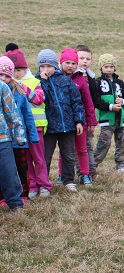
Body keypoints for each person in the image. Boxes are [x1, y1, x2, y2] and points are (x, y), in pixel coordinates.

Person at [36, 49, 85, 192]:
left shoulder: (65, 80)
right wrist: (44, 81)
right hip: (49, 127)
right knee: (45, 156)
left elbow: (76, 101)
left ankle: (68, 180)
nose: (46, 69)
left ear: (55, 66)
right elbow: (42, 98)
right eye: (43, 66)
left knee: (68, 155)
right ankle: (44, 183)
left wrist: (79, 121)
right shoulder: (37, 82)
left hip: (67, 126)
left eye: (49, 66)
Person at [4, 46, 50, 198]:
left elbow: (39, 99)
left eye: (19, 70)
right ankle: (32, 185)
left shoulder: (34, 81)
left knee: (39, 158)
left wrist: (22, 86)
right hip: (19, 131)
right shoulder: (6, 86)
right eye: (13, 71)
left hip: (36, 126)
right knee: (27, 161)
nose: (16, 74)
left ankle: (44, 185)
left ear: (25, 69)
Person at [0, 56, 38, 203]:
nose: (3, 79)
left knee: (19, 169)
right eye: (0, 75)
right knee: (5, 170)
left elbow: (24, 116)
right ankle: (3, 197)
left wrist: (31, 136)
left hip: (16, 139)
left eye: (6, 76)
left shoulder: (19, 93)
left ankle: (22, 195)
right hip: (5, 139)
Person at [59, 48, 95, 186]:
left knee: (82, 149)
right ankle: (62, 175)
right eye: (67, 63)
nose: (70, 66)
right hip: (64, 122)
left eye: (73, 63)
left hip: (81, 120)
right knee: (64, 151)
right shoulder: (56, 78)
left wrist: (91, 121)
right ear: (61, 63)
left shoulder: (80, 79)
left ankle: (85, 174)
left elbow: (88, 101)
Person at [93, 54, 124, 174]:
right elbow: (96, 101)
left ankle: (121, 163)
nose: (109, 69)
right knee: (104, 143)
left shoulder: (120, 83)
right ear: (101, 67)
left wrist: (123, 101)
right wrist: (110, 107)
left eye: (111, 66)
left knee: (121, 142)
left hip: (121, 118)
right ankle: (93, 164)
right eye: (106, 66)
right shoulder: (97, 83)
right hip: (107, 119)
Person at [0, 80, 26, 212]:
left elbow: (12, 112)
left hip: (2, 138)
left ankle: (15, 203)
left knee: (9, 172)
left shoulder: (2, 86)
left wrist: (19, 135)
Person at [75, 44, 100, 179]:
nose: (85, 61)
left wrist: (92, 120)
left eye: (88, 59)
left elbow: (92, 101)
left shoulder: (91, 77)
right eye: (82, 58)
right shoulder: (72, 76)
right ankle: (80, 172)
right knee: (76, 147)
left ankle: (91, 170)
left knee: (88, 144)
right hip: (75, 117)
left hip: (87, 117)